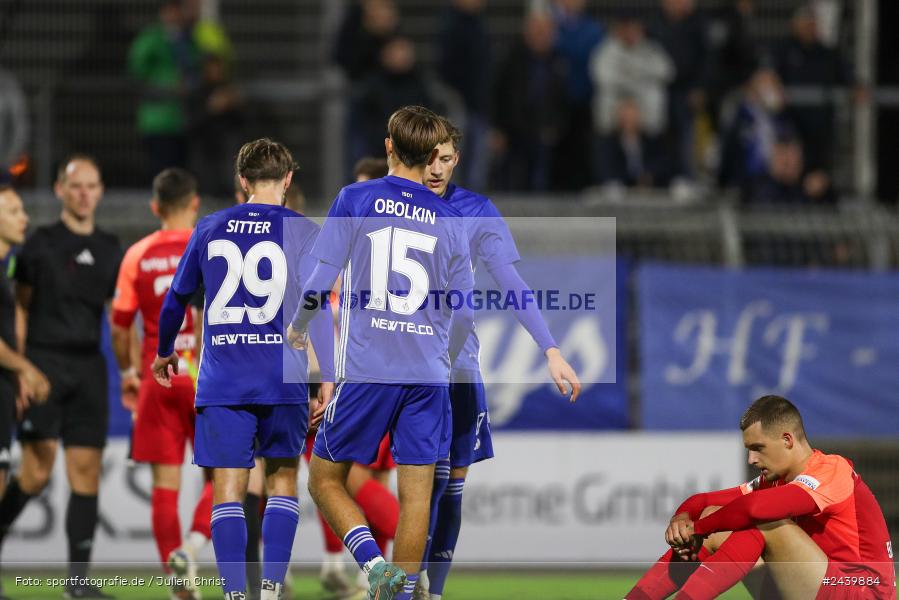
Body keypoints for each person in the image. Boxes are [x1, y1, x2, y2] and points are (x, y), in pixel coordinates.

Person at [287, 106, 474, 600]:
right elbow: (464, 313)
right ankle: (405, 589)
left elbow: (319, 279)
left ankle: (374, 567)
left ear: (389, 146)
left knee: (324, 480)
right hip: (428, 375)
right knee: (416, 497)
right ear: (432, 156)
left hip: (367, 370)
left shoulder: (356, 198)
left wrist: (300, 327)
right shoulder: (453, 220)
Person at [152, 139, 334, 600]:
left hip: (224, 381)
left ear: (242, 181)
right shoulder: (305, 232)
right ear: (288, 179)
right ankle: (271, 590)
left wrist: (164, 349)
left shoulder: (210, 227)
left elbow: (176, 298)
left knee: (228, 488)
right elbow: (317, 307)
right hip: (282, 378)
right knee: (282, 480)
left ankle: (235, 594)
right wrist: (326, 376)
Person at [418, 118, 581, 600]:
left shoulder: (476, 211)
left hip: (459, 368)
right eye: (429, 157)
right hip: (407, 365)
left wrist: (550, 349)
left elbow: (513, 286)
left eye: (445, 158)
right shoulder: (396, 206)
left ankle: (432, 589)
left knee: (451, 484)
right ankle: (401, 580)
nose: (436, 168)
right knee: (416, 479)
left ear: (457, 160)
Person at [626, 395, 895, 599]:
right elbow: (704, 502)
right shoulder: (776, 480)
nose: (751, 459)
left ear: (787, 440)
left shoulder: (831, 470)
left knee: (767, 523)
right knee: (714, 520)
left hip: (862, 590)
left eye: (758, 448)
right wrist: (682, 519)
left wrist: (697, 529)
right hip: (819, 587)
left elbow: (754, 509)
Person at [1, 156, 122, 599]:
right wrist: (19, 368)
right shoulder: (38, 244)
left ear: (101, 190)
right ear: (59, 190)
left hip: (89, 366)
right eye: (76, 186)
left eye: (91, 186)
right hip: (43, 363)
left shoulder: (112, 248)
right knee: (35, 472)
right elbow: (21, 306)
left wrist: (129, 367)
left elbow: (117, 315)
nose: (84, 193)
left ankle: (77, 582)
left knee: (86, 471)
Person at [110, 168, 212, 600]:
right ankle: (193, 545)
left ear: (154, 207)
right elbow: (212, 314)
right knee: (230, 476)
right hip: (201, 373)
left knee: (164, 487)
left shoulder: (137, 254)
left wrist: (128, 372)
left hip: (158, 375)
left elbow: (119, 325)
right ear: (194, 204)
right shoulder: (207, 248)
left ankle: (177, 585)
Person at [308, 157, 399, 598]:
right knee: (348, 479)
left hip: (367, 380)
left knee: (340, 479)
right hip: (360, 380)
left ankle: (385, 569)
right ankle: (375, 575)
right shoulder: (342, 258)